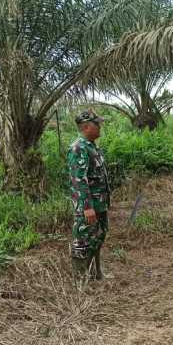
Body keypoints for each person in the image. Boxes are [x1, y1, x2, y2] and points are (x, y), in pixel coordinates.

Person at [67, 109, 111, 280]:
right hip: (88, 206)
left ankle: (95, 273)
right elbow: (78, 180)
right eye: (97, 123)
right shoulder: (78, 148)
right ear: (86, 126)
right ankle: (80, 279)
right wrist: (87, 207)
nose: (100, 126)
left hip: (99, 204)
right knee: (83, 239)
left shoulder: (92, 147)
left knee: (98, 237)